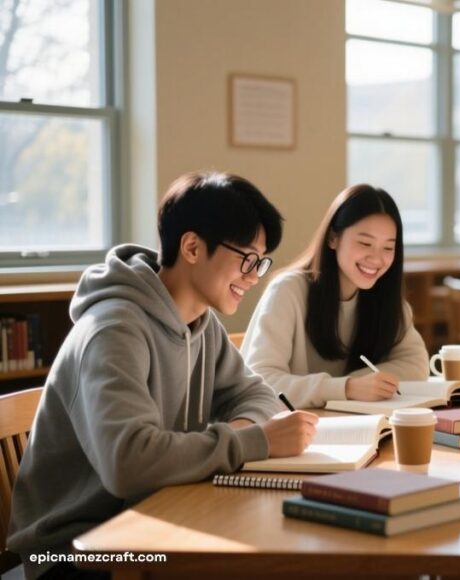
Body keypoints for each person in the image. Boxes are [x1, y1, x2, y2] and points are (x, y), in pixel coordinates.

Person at [8, 171, 319, 580]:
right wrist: (253, 441)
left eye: (260, 262)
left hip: (151, 517)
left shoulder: (201, 324)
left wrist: (246, 435)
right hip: (75, 553)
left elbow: (256, 394)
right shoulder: (112, 330)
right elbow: (129, 463)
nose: (253, 276)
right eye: (246, 258)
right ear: (192, 247)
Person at [242, 184, 428, 409]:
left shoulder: (384, 298)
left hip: (356, 430)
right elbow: (260, 381)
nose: (377, 259)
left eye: (388, 248)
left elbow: (416, 364)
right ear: (333, 238)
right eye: (365, 243)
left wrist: (361, 383)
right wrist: (346, 388)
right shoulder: (287, 291)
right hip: (289, 433)